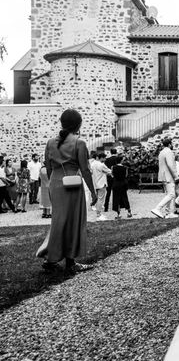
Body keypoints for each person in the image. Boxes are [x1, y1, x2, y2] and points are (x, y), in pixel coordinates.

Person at [36, 109, 98, 274]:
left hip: (55, 183)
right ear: (78, 124)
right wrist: (93, 191)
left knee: (58, 221)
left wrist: (52, 185)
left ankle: (51, 257)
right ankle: (70, 261)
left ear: (62, 123)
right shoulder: (79, 143)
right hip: (72, 184)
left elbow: (48, 168)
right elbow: (85, 170)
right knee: (73, 221)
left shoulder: (50, 142)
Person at [151, 138, 179, 219]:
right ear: (169, 144)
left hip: (163, 175)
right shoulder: (169, 152)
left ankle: (169, 212)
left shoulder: (162, 152)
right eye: (172, 143)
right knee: (171, 194)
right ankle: (158, 208)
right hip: (168, 176)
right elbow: (170, 165)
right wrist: (176, 176)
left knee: (169, 194)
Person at [91, 152, 111, 221]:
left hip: (95, 183)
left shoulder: (93, 164)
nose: (105, 159)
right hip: (101, 183)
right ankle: (98, 214)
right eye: (104, 158)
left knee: (98, 199)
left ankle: (98, 213)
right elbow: (109, 171)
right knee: (101, 199)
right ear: (101, 158)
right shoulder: (102, 165)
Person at [103, 148, 119, 214]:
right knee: (116, 193)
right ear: (116, 152)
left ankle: (106, 207)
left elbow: (105, 168)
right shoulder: (118, 159)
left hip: (109, 177)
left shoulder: (107, 160)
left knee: (108, 193)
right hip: (116, 177)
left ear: (110, 152)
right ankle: (116, 206)